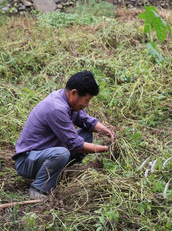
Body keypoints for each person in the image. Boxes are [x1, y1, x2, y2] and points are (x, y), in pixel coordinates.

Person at [13, 70, 115, 199]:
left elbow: (86, 121)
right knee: (61, 153)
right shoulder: (57, 108)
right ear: (74, 93)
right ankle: (39, 189)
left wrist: (108, 132)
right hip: (27, 161)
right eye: (87, 100)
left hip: (44, 153)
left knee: (86, 134)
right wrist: (107, 149)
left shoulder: (65, 98)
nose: (87, 105)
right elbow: (75, 144)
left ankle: (55, 172)